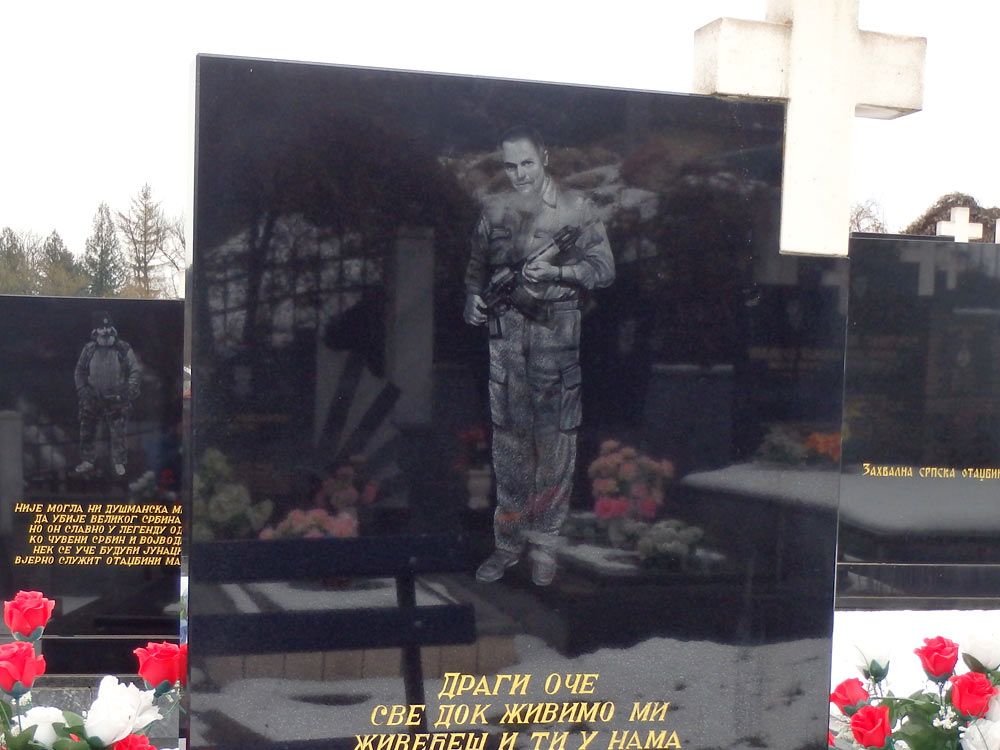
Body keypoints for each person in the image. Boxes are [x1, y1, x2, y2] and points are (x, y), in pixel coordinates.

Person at [464, 126, 615, 585]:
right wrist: (472, 296)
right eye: (510, 166)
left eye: (526, 163)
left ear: (544, 157)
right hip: (507, 338)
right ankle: (508, 545)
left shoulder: (578, 209)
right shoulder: (494, 210)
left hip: (556, 336)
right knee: (509, 446)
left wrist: (558, 270)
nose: (519, 174)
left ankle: (545, 545)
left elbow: (603, 270)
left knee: (554, 445)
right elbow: (477, 265)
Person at [74, 310, 142, 477]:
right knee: (87, 429)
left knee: (118, 432)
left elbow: (135, 370)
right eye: (101, 328)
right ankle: (87, 460)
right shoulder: (88, 349)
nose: (105, 331)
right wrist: (83, 390)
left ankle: (119, 462)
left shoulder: (123, 348)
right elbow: (79, 371)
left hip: (116, 398)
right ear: (95, 331)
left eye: (108, 327)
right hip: (93, 397)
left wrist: (129, 391)